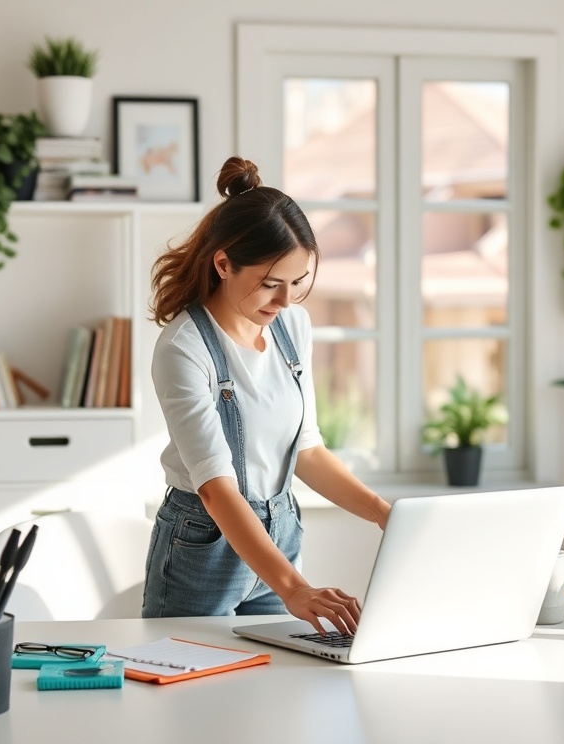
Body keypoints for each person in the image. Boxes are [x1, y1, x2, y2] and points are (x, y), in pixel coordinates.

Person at [142, 155, 391, 635]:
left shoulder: (292, 326)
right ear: (223, 264)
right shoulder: (184, 347)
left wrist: (383, 514)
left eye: (297, 284)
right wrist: (295, 588)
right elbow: (216, 488)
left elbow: (307, 450)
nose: (285, 301)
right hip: (202, 545)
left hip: (278, 533)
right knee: (193, 694)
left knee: (274, 692)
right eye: (270, 285)